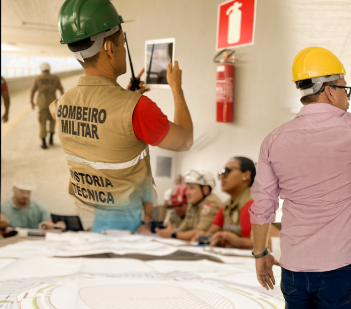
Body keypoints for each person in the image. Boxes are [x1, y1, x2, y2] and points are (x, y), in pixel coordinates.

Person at [251, 46, 351, 309]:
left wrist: (260, 254)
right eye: (344, 89)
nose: (348, 96)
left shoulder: (274, 139)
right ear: (328, 91)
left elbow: (262, 206)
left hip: (295, 269)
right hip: (343, 268)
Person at [53, 0, 194, 234]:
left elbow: (102, 129)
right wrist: (176, 88)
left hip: (95, 222)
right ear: (109, 48)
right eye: (122, 43)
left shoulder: (61, 104)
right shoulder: (138, 109)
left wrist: (124, 99)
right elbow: (185, 140)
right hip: (130, 230)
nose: (123, 48)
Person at [192, 157, 256, 249]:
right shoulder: (226, 205)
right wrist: (207, 237)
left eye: (227, 171)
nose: (221, 177)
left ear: (245, 175)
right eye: (220, 173)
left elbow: (267, 243)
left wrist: (239, 242)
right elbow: (212, 231)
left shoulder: (254, 203)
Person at [156, 170, 221, 240]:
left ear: (205, 190)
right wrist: (172, 230)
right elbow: (183, 229)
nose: (187, 193)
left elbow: (200, 232)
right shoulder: (193, 204)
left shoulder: (211, 203)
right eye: (187, 188)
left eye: (191, 188)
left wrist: (173, 234)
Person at [1, 179, 66, 230]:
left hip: (36, 243)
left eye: (28, 192)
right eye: (21, 191)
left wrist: (57, 227)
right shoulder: (2, 207)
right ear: (14, 189)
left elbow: (50, 229)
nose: (25, 195)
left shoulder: (40, 207)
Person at [30, 62, 65, 149]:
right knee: (53, 121)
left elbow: (32, 91)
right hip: (53, 103)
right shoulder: (55, 78)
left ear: (41, 69)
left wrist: (31, 102)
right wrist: (63, 102)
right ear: (49, 69)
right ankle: (51, 138)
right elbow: (61, 90)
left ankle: (44, 142)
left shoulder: (37, 78)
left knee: (42, 123)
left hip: (42, 104)